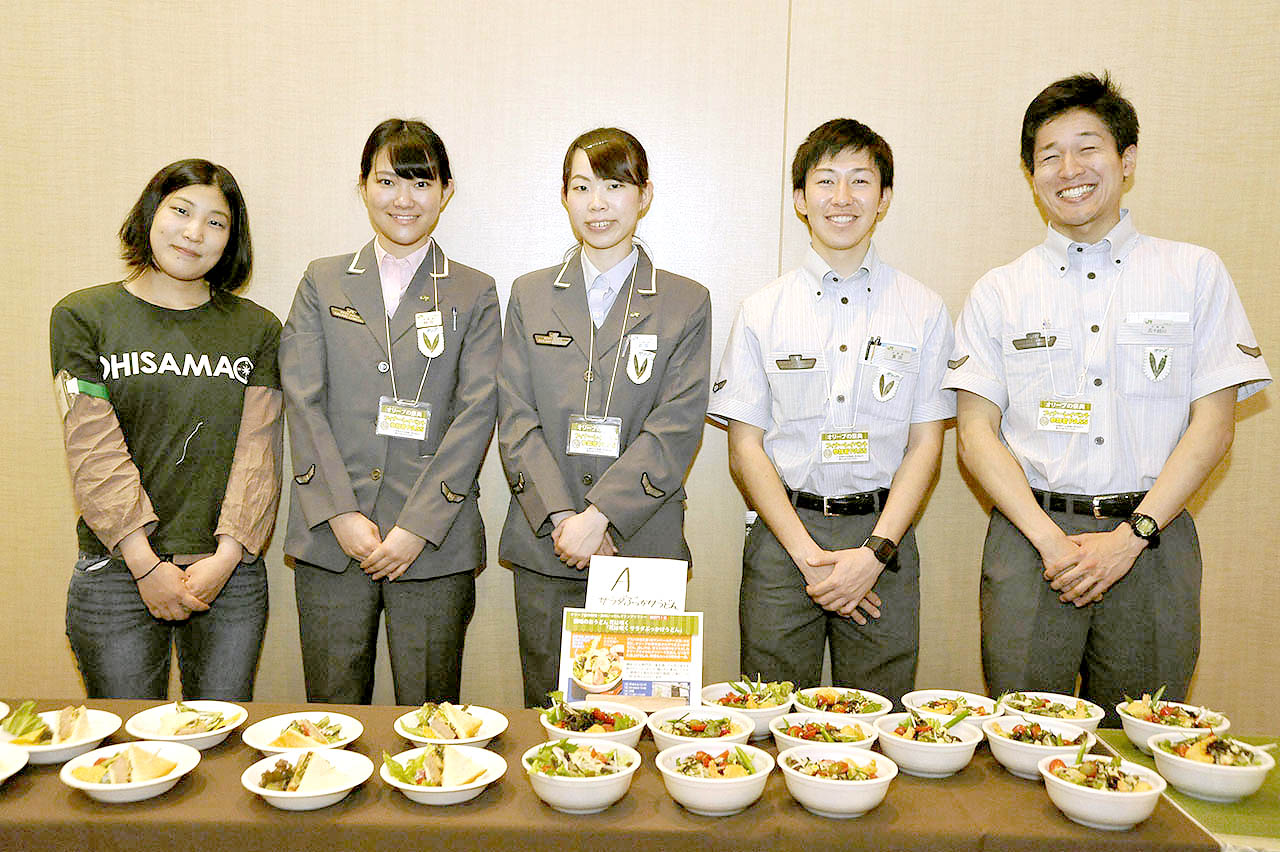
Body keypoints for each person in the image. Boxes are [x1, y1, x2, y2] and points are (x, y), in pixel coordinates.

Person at [946, 73, 1270, 722]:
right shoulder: (999, 291)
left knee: (1142, 742)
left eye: (1088, 147)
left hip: (1153, 539)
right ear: (1030, 173)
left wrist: (1131, 536)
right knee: (1024, 740)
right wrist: (1048, 539)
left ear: (1126, 160)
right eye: (1048, 154)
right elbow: (976, 432)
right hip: (1032, 539)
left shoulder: (1193, 273)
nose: (1070, 169)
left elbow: (1214, 422)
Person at [708, 119, 954, 700]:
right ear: (801, 199)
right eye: (825, 181)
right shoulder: (762, 310)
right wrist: (807, 555)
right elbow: (745, 447)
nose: (842, 199)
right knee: (769, 715)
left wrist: (874, 553)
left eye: (860, 181)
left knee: (878, 719)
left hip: (883, 537)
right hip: (782, 537)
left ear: (884, 198)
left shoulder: (923, 310)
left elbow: (927, 445)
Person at [280, 119, 499, 705]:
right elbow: (302, 402)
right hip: (332, 535)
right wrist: (342, 514)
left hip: (433, 542)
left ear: (446, 191)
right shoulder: (322, 281)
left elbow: (476, 414)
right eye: (387, 181)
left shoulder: (474, 291)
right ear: (362, 186)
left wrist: (415, 529)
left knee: (431, 722)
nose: (404, 199)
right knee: (331, 713)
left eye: (421, 182)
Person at [50, 159, 281, 700]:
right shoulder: (84, 316)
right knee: (130, 751)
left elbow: (258, 453)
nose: (195, 233)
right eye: (182, 210)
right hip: (116, 569)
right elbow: (92, 449)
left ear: (232, 240)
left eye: (216, 222)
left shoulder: (257, 328)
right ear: (152, 212)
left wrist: (225, 558)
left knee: (223, 745)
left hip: (228, 571)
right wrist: (143, 562)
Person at [498, 127, 711, 707]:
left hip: (641, 545)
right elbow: (515, 418)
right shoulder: (530, 294)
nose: (598, 203)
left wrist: (602, 518)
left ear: (644, 196)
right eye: (582, 186)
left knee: (641, 723)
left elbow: (677, 424)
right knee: (551, 722)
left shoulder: (686, 301)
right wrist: (567, 518)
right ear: (563, 197)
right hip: (548, 542)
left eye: (615, 185)